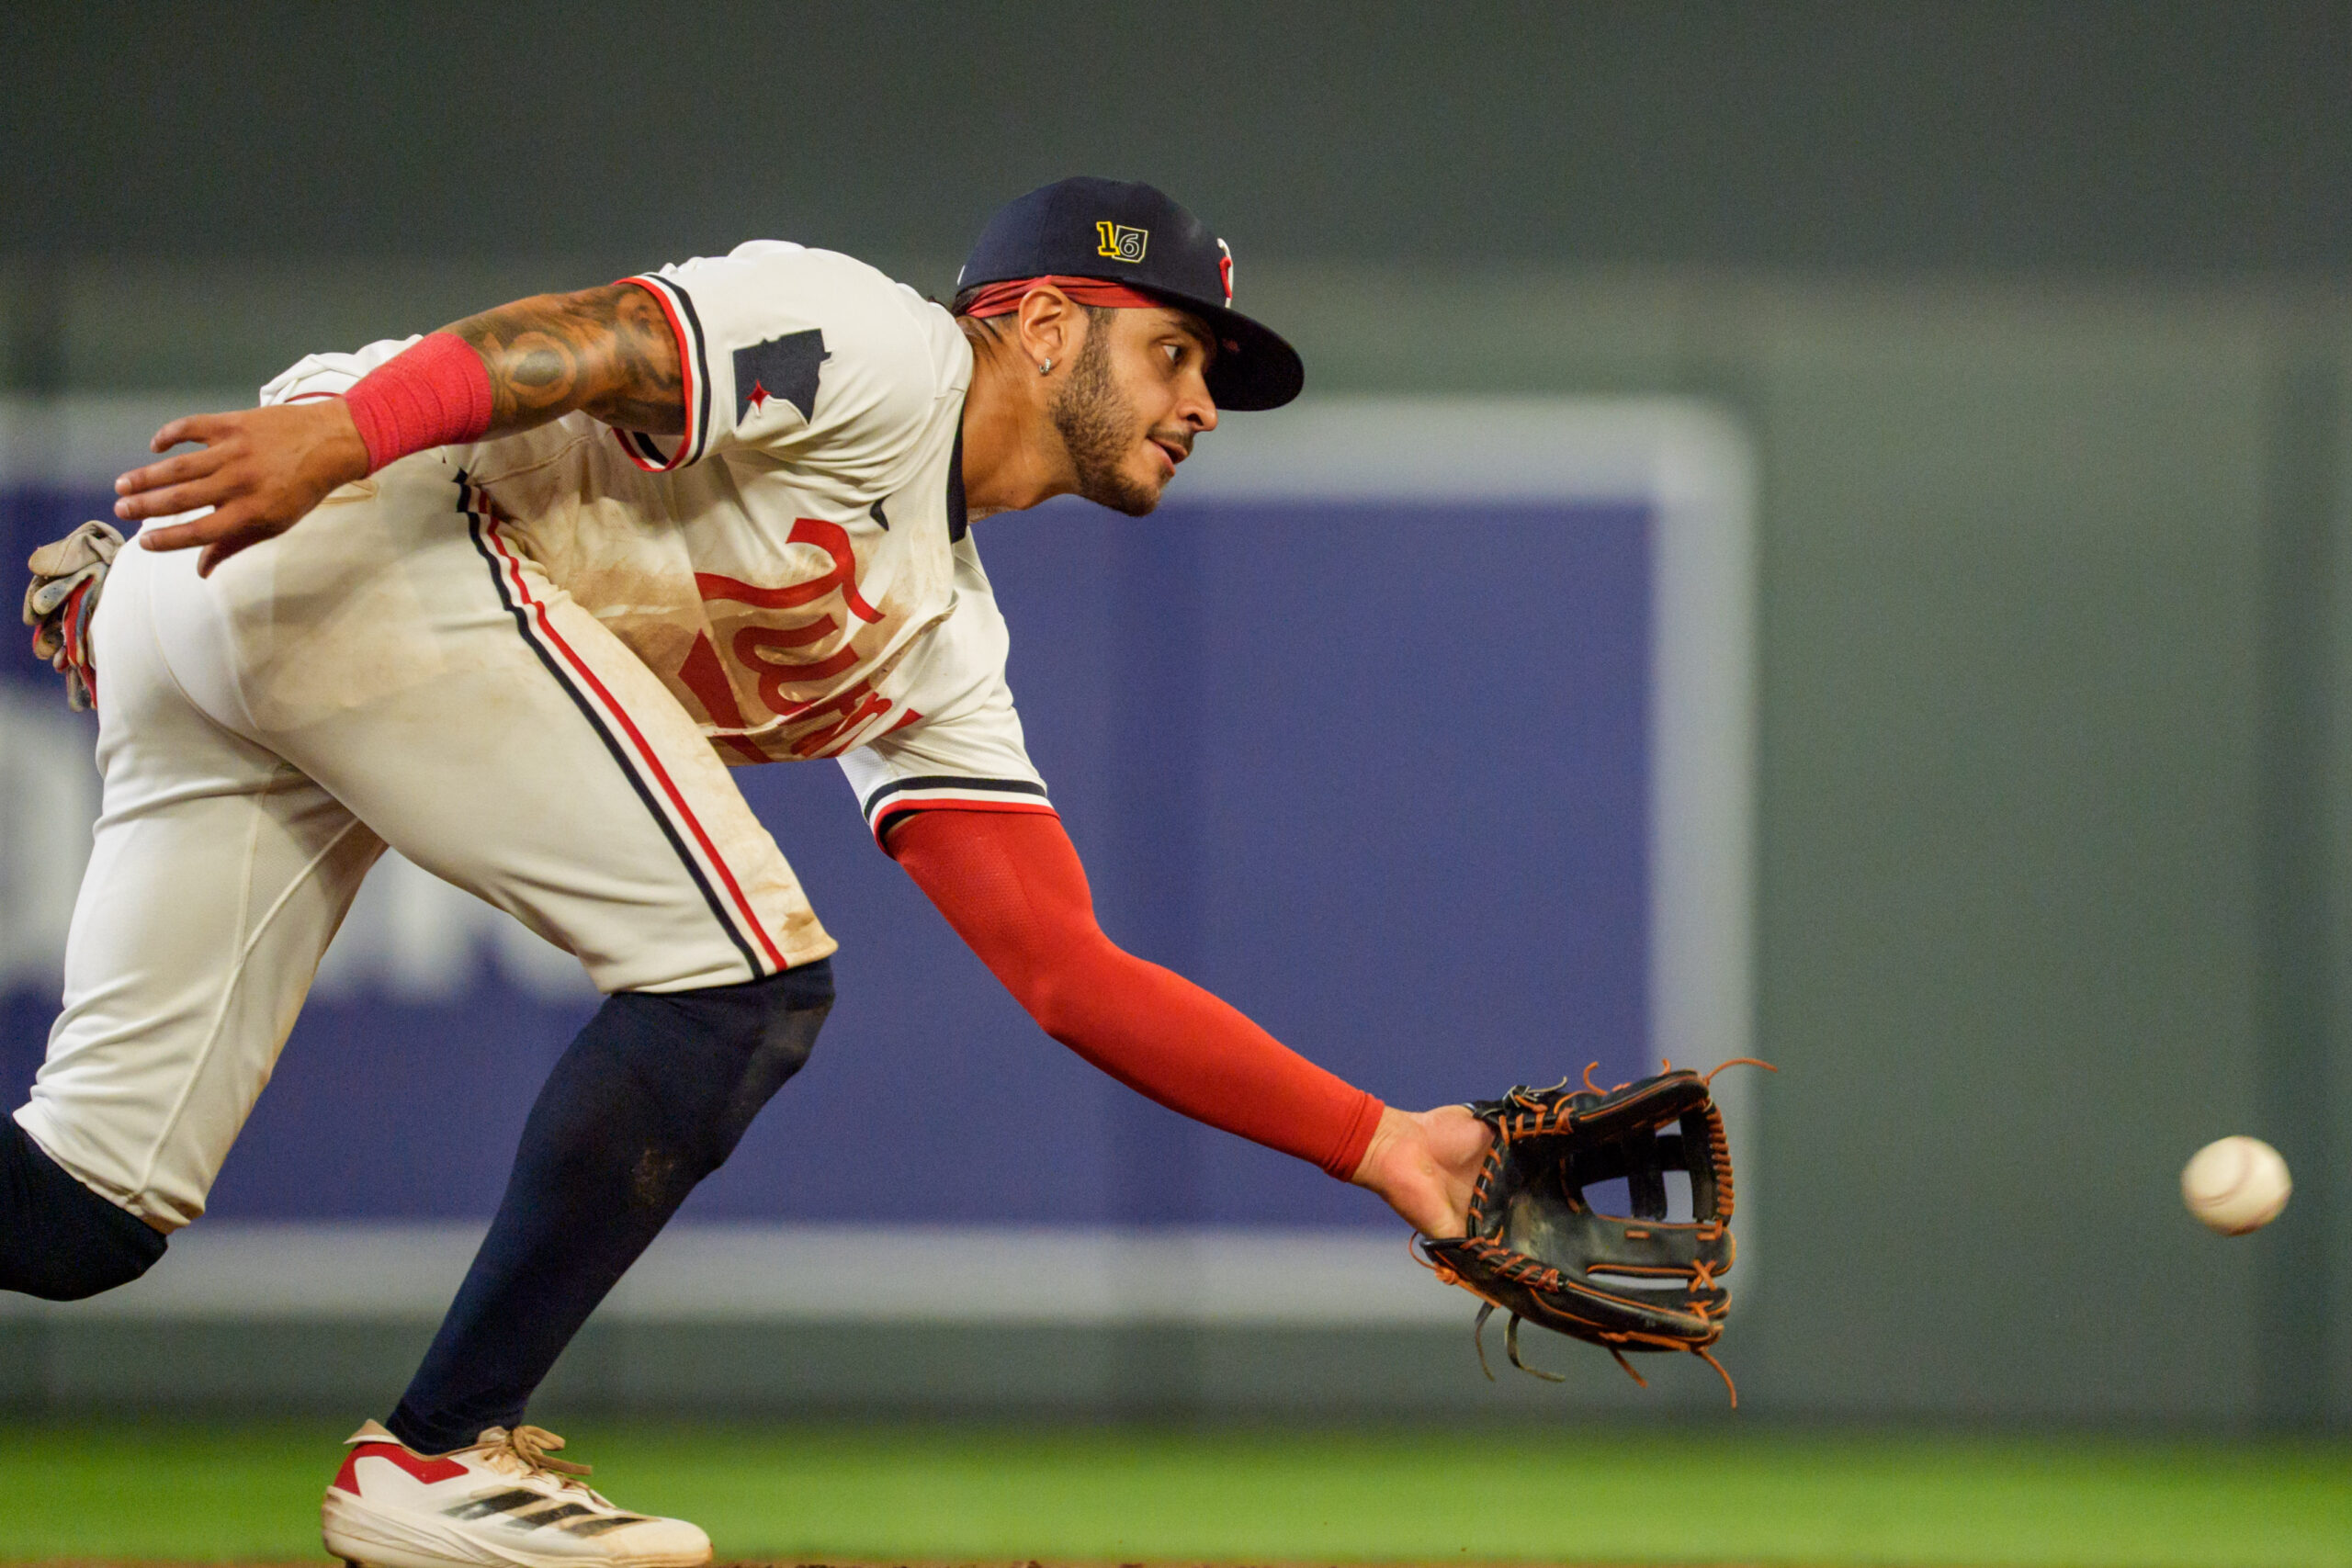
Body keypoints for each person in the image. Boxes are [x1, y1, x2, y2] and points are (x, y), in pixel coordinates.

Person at [6, 177, 1491, 1568]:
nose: (1201, 405)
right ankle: (436, 1457)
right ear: (1045, 326)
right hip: (342, 508)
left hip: (228, 590)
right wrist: (339, 441)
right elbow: (597, 339)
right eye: (1176, 352)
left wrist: (1378, 1144)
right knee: (743, 982)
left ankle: (431, 1453)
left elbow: (1070, 976)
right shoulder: (880, 350)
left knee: (84, 1218)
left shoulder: (943, 648)